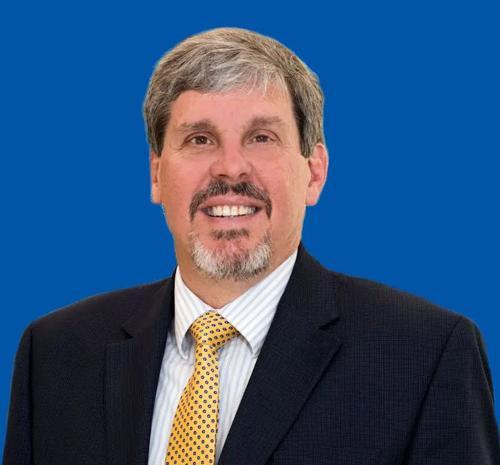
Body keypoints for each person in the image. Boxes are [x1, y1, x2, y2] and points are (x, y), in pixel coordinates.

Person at [3, 27, 499, 465]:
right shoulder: (56, 354)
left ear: (314, 172)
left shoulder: (425, 355)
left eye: (261, 137)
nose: (230, 168)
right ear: (156, 173)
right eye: (200, 139)